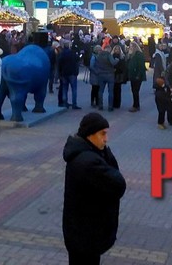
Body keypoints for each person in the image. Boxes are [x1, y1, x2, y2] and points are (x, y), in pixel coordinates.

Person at [63, 113, 126, 264]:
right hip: (85, 236)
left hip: (81, 233)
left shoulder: (84, 152)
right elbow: (119, 185)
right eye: (102, 134)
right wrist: (105, 154)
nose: (106, 139)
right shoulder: (88, 162)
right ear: (89, 135)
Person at [92, 42, 118, 111]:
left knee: (100, 91)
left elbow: (96, 64)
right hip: (110, 74)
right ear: (109, 49)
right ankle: (110, 107)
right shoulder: (109, 55)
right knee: (110, 92)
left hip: (101, 75)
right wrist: (117, 60)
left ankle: (100, 106)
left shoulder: (99, 55)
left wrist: (97, 71)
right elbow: (113, 62)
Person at [58, 40, 81, 109]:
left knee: (65, 88)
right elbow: (78, 60)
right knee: (74, 89)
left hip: (64, 73)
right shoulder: (73, 53)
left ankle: (65, 103)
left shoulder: (62, 54)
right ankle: (74, 104)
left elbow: (59, 64)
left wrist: (60, 73)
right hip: (72, 73)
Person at [126, 41, 146, 112]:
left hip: (137, 76)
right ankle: (135, 104)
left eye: (132, 46)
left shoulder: (139, 54)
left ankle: (136, 105)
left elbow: (141, 66)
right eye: (130, 46)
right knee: (134, 90)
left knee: (135, 91)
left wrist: (138, 75)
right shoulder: (131, 54)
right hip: (132, 75)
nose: (130, 48)